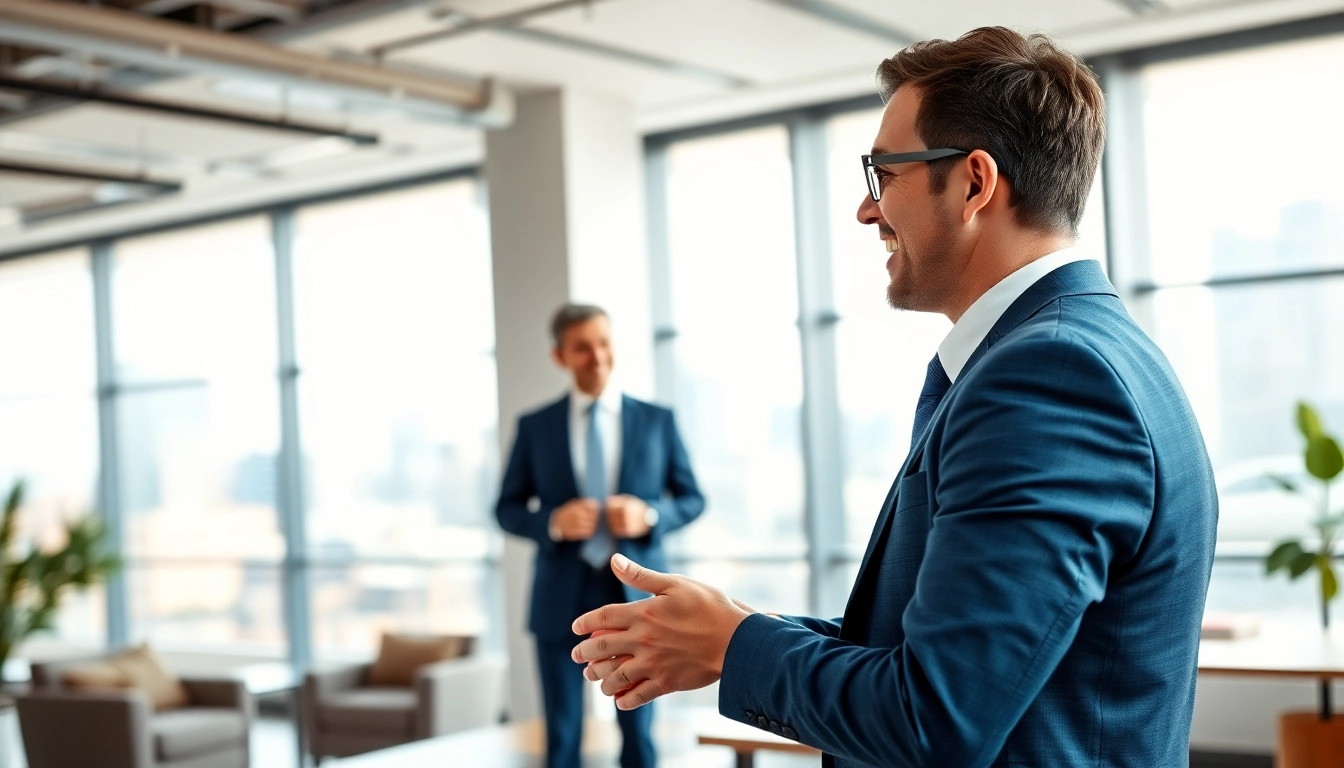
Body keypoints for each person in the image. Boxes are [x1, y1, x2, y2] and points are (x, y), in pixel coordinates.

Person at [570, 27, 1218, 768]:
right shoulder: (1078, 350)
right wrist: (729, 630)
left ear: (974, 182)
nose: (866, 210)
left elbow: (933, 716)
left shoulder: (1050, 378)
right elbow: (944, 656)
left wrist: (732, 643)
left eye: (885, 175)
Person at [496, 303, 705, 768]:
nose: (597, 356)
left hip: (635, 593)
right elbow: (506, 508)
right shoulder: (535, 426)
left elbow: (693, 498)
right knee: (562, 732)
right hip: (558, 596)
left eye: (604, 343)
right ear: (560, 357)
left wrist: (649, 516)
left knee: (638, 729)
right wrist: (552, 522)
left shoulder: (657, 420)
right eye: (582, 348)